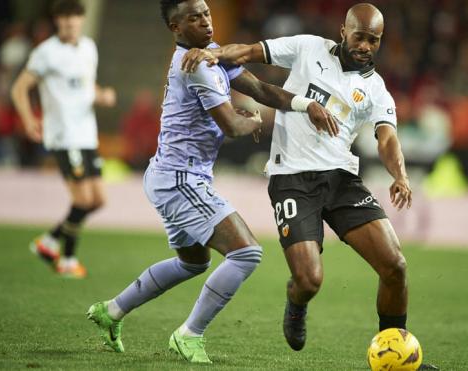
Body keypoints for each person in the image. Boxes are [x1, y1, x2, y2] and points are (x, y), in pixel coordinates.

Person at [182, 3, 438, 369]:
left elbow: (387, 138)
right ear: (343, 30)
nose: (365, 45)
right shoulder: (308, 48)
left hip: (342, 180)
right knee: (309, 280)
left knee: (395, 266)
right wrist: (212, 52)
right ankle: (296, 302)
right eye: (360, 36)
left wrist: (401, 175)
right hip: (293, 180)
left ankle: (394, 351)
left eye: (374, 40)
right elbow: (251, 51)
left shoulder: (377, 90)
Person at [85, 0, 338, 364]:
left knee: (193, 263)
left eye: (205, 13)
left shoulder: (212, 57)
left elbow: (262, 90)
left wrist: (304, 104)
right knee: (247, 253)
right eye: (194, 17)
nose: (206, 21)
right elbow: (233, 126)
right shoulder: (198, 68)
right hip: (180, 178)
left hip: (171, 174)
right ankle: (189, 335)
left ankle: (112, 311)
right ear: (176, 28)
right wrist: (252, 121)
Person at [11, 0, 116, 278]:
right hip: (64, 135)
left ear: (81, 19)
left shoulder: (88, 47)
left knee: (98, 200)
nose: (70, 22)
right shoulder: (45, 53)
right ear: (57, 20)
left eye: (74, 17)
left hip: (87, 133)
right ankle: (67, 260)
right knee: (82, 200)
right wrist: (28, 119)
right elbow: (19, 88)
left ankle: (48, 242)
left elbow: (86, 84)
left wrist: (101, 94)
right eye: (64, 17)